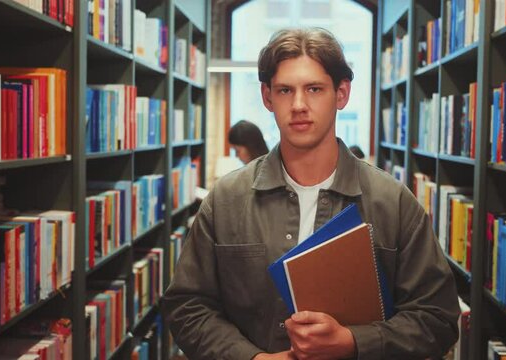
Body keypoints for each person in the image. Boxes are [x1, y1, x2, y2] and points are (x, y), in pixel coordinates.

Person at [161, 27, 459, 359]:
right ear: (267, 97)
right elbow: (187, 305)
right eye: (285, 90)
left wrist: (353, 342)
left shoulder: (394, 203)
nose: (299, 105)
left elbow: (438, 320)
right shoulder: (226, 200)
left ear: (342, 93)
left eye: (314, 89)